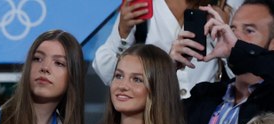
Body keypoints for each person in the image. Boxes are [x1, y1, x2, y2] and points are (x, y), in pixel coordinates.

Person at [181, 0, 274, 124]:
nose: (233, 35)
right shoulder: (205, 98)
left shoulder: (269, 101)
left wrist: (237, 49)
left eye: (249, 30)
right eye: (232, 28)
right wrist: (168, 68)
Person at [92, 0, 243, 99]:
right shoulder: (142, 5)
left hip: (207, 123)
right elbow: (106, 73)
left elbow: (249, 78)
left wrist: (227, 45)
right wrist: (123, 33)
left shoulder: (226, 6)